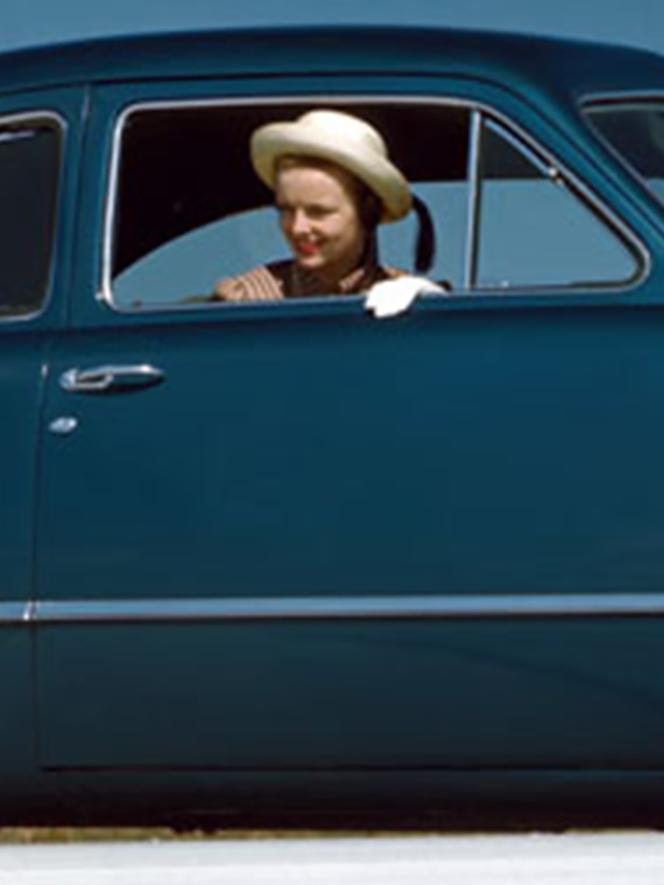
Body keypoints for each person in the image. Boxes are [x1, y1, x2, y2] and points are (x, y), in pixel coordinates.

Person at [213, 109, 437, 302]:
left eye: (318, 212)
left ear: (368, 211)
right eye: (286, 210)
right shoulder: (248, 298)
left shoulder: (406, 295)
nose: (297, 227)